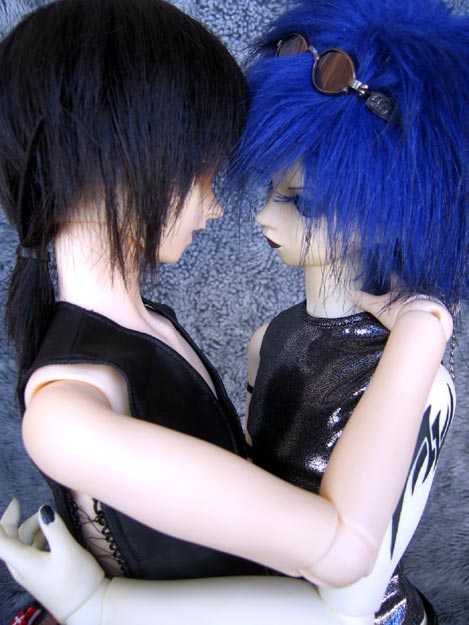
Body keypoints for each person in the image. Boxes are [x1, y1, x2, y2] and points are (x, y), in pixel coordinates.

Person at [0, 0, 465, 624]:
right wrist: (425, 323)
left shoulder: (152, 325)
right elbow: (345, 552)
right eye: (200, 173)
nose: (215, 207)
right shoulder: (68, 417)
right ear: (124, 171)